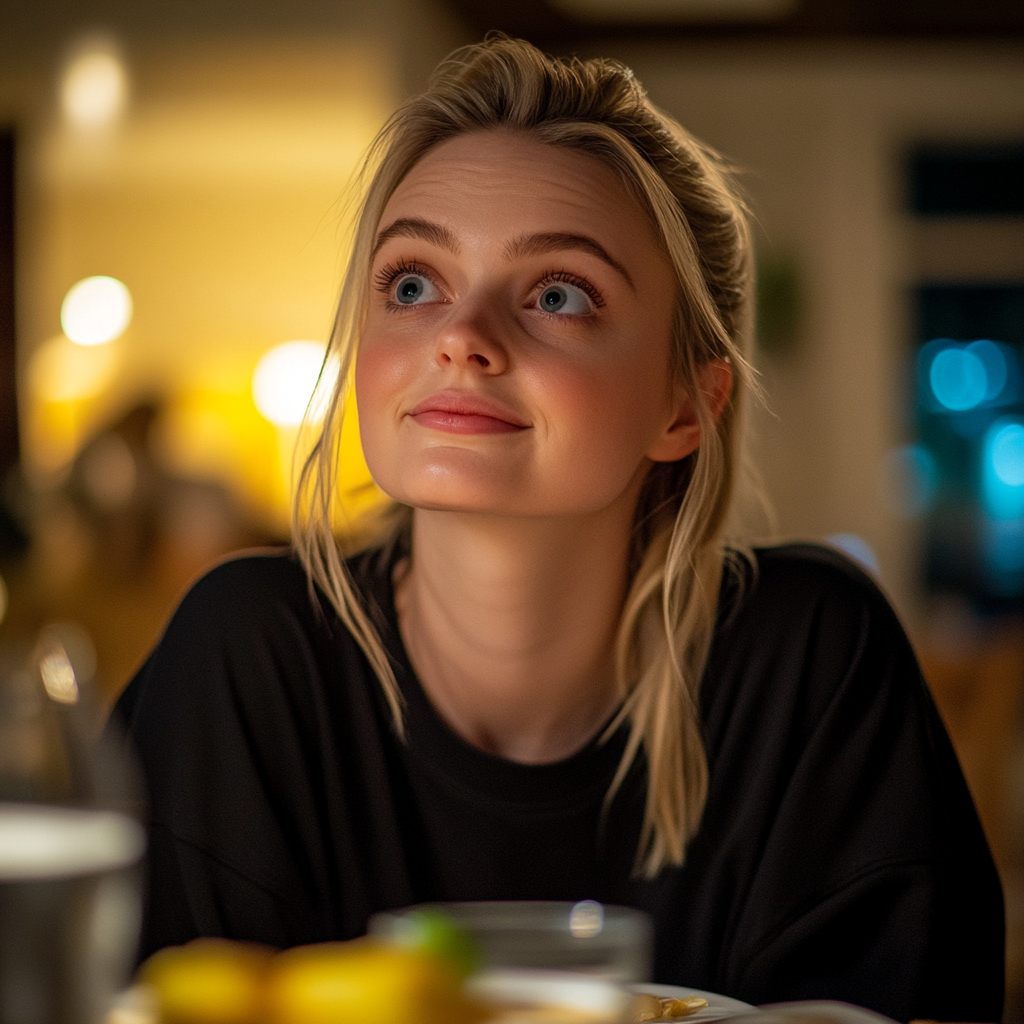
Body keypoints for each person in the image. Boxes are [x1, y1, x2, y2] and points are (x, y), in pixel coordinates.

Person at [113, 35, 1004, 1019]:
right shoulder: (243, 657)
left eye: (556, 295)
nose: (458, 334)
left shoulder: (811, 660)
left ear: (684, 404)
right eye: (412, 283)